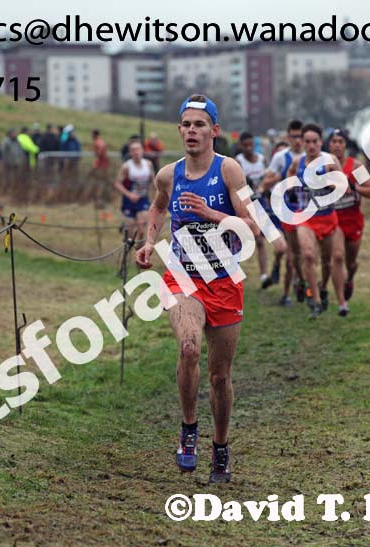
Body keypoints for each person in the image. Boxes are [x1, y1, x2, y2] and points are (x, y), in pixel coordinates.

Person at [135, 94, 258, 483]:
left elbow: (252, 225)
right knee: (188, 347)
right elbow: (157, 207)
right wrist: (150, 241)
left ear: (214, 131)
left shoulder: (230, 171)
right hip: (183, 277)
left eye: (200, 124)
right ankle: (189, 430)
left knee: (220, 377)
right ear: (179, 130)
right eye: (186, 124)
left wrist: (211, 214)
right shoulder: (168, 175)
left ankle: (220, 447)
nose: (192, 130)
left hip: (223, 281)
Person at [284, 123, 345, 319]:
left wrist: (328, 181)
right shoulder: (297, 161)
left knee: (327, 262)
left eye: (315, 141)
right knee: (308, 256)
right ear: (302, 142)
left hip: (327, 218)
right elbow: (289, 176)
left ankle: (324, 287)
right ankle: (316, 301)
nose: (311, 145)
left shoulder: (330, 161)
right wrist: (290, 188)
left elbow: (343, 185)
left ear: (321, 142)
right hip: (306, 218)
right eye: (307, 141)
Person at [328, 129, 370, 316]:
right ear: (329, 145)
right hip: (334, 219)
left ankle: (350, 279)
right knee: (337, 257)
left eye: (341, 141)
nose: (337, 145)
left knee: (351, 263)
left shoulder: (356, 166)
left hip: (353, 220)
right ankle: (342, 303)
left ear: (345, 145)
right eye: (334, 141)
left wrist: (353, 186)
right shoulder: (323, 167)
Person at [259, 120, 305, 305]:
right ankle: (287, 290)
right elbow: (265, 182)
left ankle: (294, 285)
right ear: (288, 137)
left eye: (301, 136)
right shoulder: (281, 157)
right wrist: (277, 180)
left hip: (305, 211)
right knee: (287, 251)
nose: (298, 141)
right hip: (283, 210)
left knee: (297, 254)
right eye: (294, 137)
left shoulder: (312, 157)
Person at [235, 131, 280, 289]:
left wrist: (266, 190)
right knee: (240, 240)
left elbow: (268, 178)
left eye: (251, 145)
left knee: (260, 240)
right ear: (241, 146)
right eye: (245, 145)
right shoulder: (238, 162)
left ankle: (263, 275)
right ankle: (233, 271)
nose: (248, 148)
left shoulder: (262, 160)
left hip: (259, 203)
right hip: (243, 204)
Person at [113, 140, 154, 245]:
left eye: (138, 149)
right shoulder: (126, 166)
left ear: (142, 150)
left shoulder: (148, 164)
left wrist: (159, 194)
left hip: (142, 199)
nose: (136, 152)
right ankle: (127, 250)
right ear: (130, 153)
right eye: (133, 150)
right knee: (130, 233)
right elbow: (117, 183)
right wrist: (129, 194)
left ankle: (139, 253)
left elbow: (153, 181)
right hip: (129, 201)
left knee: (141, 228)